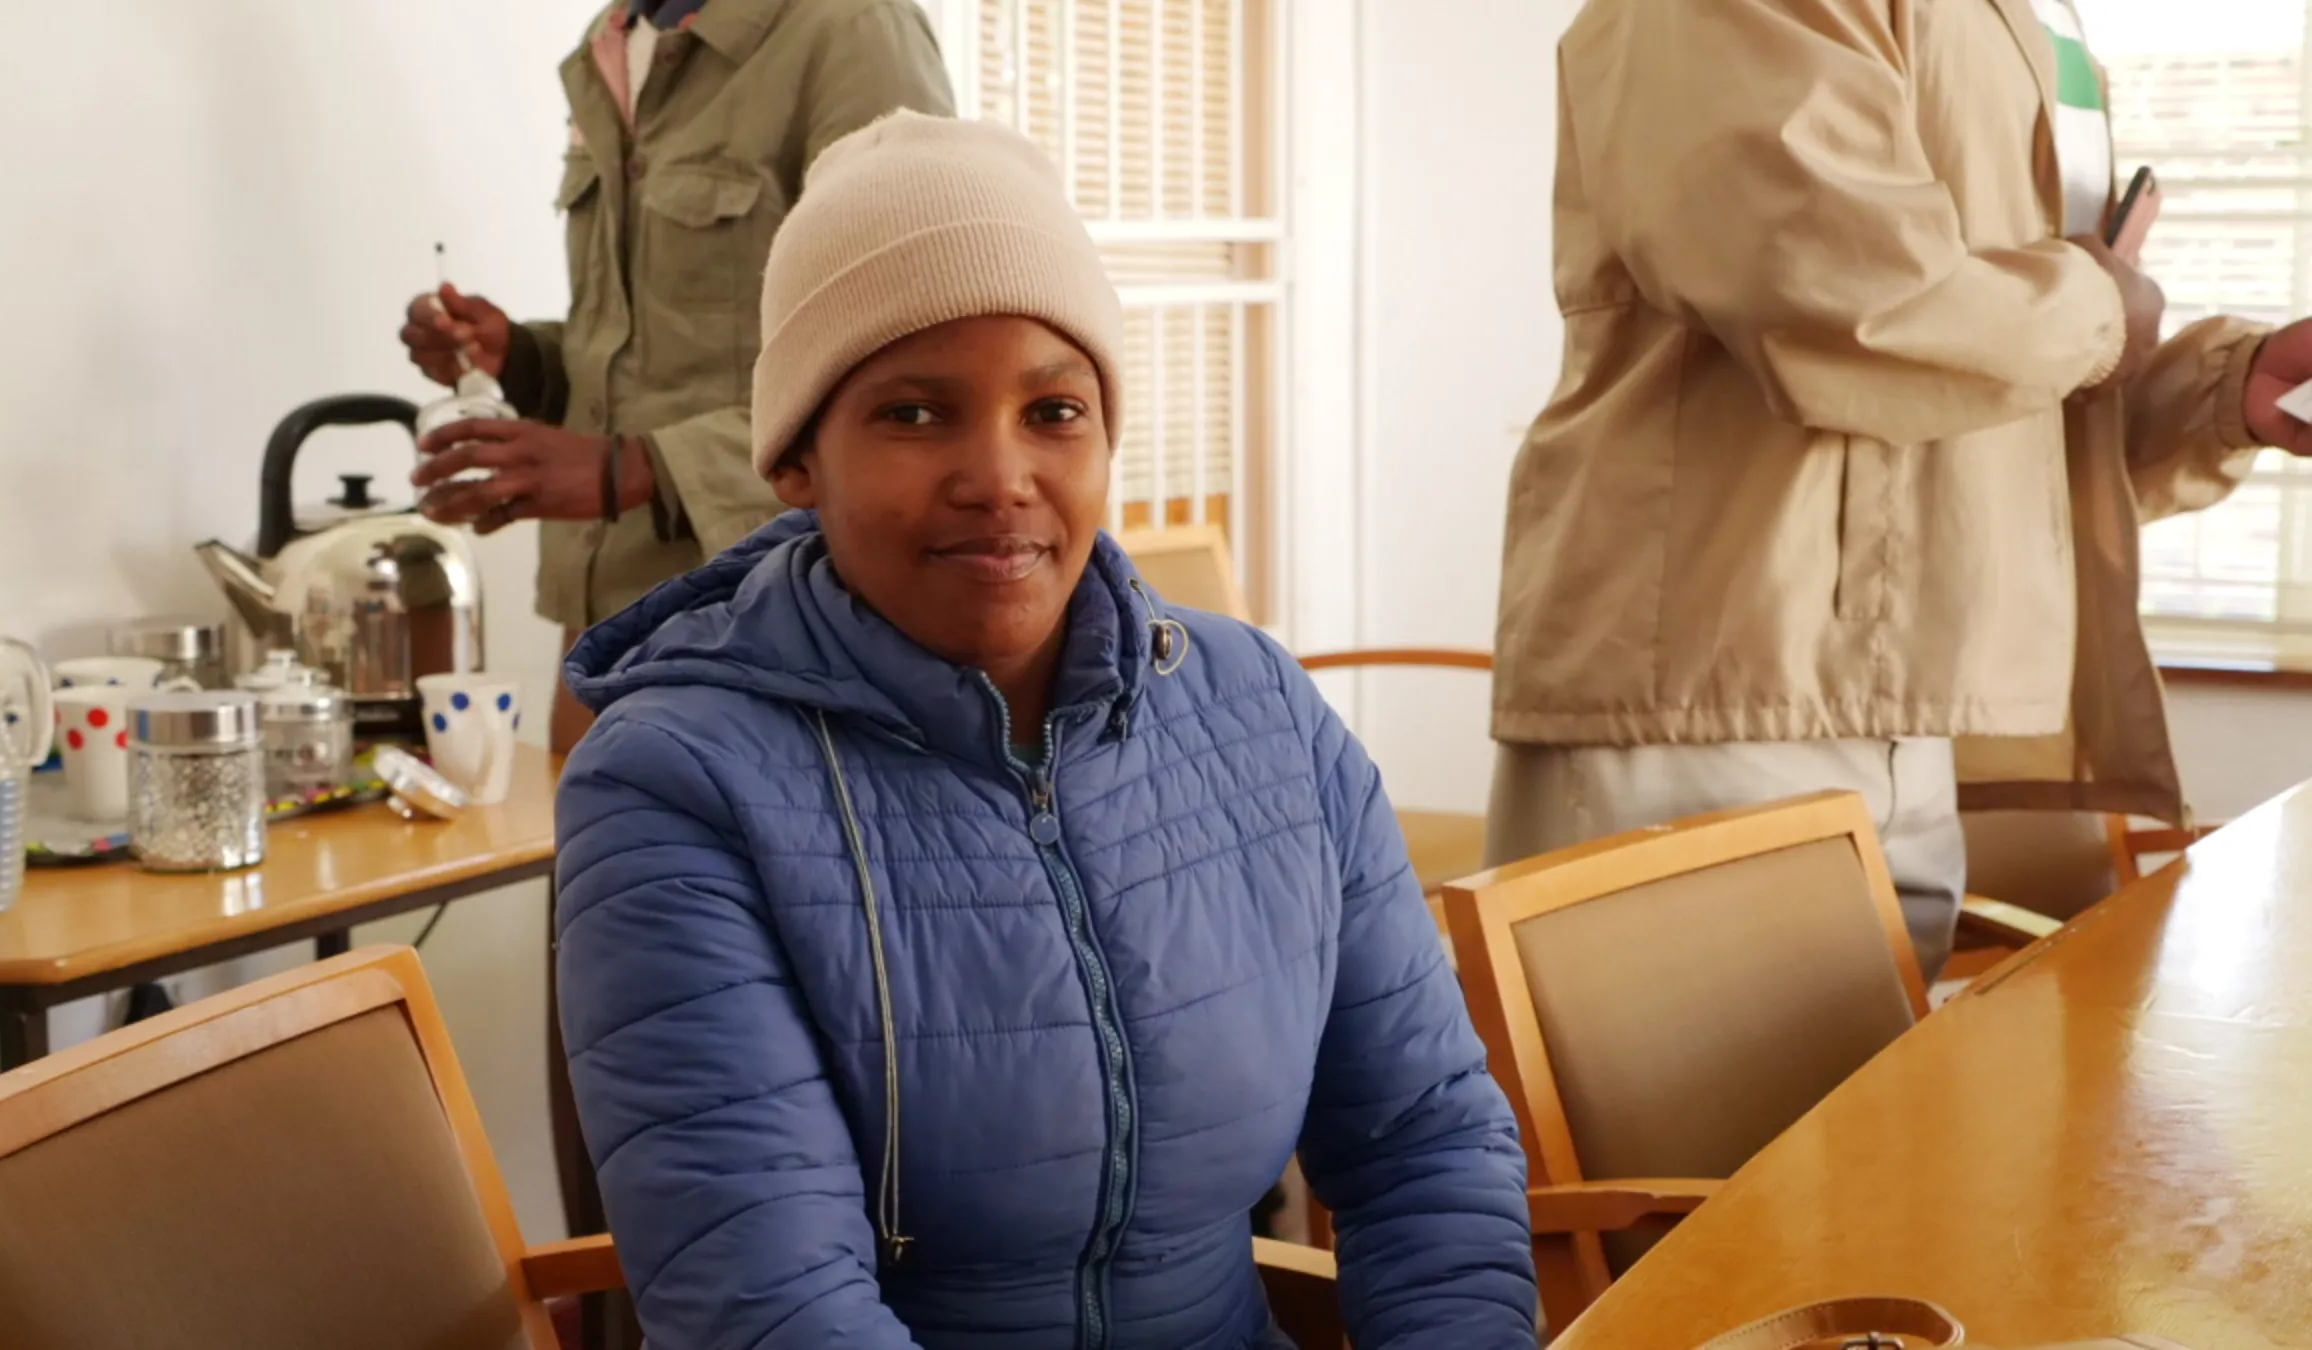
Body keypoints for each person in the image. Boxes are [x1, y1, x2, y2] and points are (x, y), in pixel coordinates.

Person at [553, 112, 1539, 1348]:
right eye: (915, 414)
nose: (999, 475)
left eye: (1055, 410)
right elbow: (772, 1308)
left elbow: (1424, 1142)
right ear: (797, 456)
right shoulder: (672, 787)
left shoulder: (1260, 710)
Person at [1485, 0, 2312, 978]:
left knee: (1874, 1128)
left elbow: (1977, 413)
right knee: (1717, 1134)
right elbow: (1829, 291)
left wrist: (2220, 395)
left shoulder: (2040, 17)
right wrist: (2093, 308)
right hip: (1727, 686)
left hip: (1904, 701)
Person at [399, 0, 954, 754]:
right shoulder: (612, 42)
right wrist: (521, 359)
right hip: (603, 642)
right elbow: (662, 348)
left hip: (779, 630)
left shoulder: (851, 29)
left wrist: (637, 469)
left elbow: (914, 364)